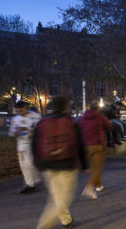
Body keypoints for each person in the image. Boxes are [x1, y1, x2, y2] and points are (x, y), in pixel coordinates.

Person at [32, 96, 87, 229]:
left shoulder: (42, 123)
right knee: (64, 199)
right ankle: (43, 226)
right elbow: (80, 146)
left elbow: (34, 145)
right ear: (65, 107)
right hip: (67, 165)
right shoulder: (71, 123)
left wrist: (38, 164)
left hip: (48, 166)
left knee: (57, 197)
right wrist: (84, 165)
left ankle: (67, 220)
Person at [76, 101, 113, 199]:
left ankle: (99, 185)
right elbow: (110, 127)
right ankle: (89, 187)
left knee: (94, 166)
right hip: (97, 145)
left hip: (85, 146)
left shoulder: (82, 118)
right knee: (97, 168)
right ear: (98, 108)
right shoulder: (100, 117)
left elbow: (77, 128)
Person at [8, 100, 42, 194]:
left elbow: (42, 128)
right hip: (22, 144)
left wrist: (28, 128)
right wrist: (15, 132)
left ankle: (33, 182)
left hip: (35, 142)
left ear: (26, 108)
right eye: (18, 111)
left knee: (31, 164)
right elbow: (11, 132)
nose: (20, 113)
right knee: (24, 164)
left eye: (21, 111)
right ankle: (30, 184)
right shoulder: (15, 119)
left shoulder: (36, 116)